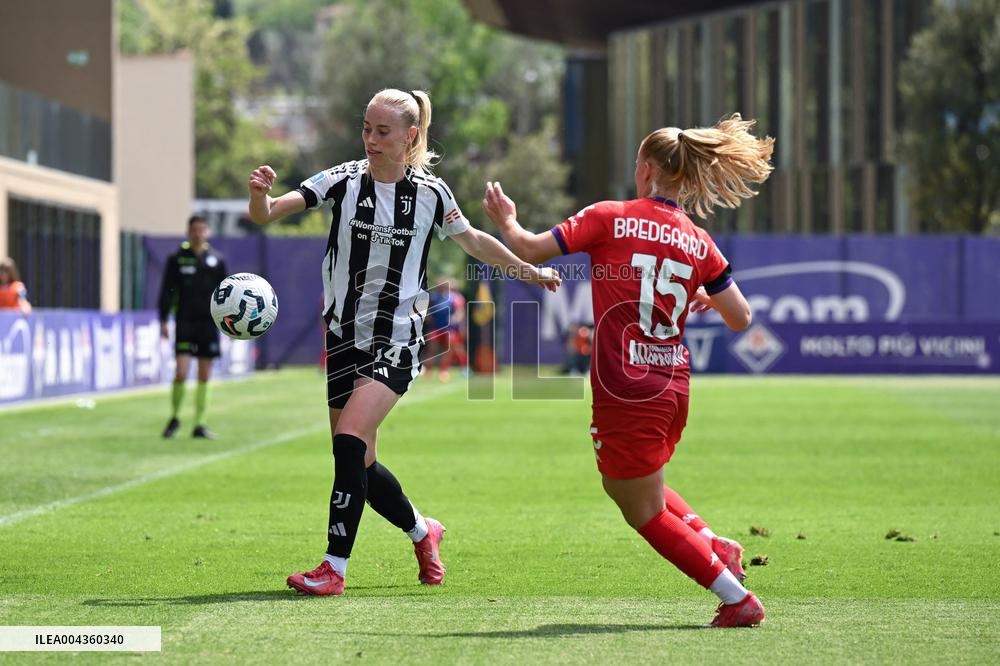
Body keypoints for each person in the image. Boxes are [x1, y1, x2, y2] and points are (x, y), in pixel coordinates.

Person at [246, 88, 560, 596]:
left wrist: (529, 270)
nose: (371, 139)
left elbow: (476, 241)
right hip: (344, 335)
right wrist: (260, 194)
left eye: (382, 131)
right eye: (366, 128)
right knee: (359, 459)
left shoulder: (432, 195)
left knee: (349, 440)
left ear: (410, 135)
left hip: (397, 338)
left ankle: (333, 568)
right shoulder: (343, 181)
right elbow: (268, 214)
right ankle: (422, 529)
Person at [482, 113, 773, 628]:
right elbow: (741, 317)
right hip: (672, 384)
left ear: (645, 169)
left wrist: (506, 218)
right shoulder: (699, 241)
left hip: (625, 384)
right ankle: (711, 544)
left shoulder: (610, 216)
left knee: (641, 508)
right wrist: (702, 295)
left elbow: (528, 247)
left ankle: (734, 597)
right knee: (636, 487)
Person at [157, 215, 229, 440]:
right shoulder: (177, 258)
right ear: (189, 232)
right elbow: (167, 291)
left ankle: (200, 423)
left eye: (202, 229)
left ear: (207, 232)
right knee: (181, 371)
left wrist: (230, 324)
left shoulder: (217, 260)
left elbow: (227, 295)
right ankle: (175, 416)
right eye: (194, 229)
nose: (198, 233)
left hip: (208, 323)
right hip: (184, 321)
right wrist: (163, 320)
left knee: (204, 374)